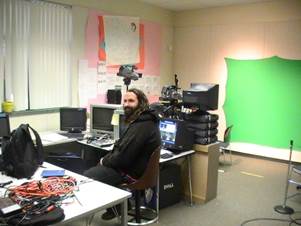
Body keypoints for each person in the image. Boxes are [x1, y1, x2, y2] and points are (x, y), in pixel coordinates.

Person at [84, 88, 161, 220]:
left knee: (87, 178)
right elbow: (122, 150)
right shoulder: (143, 121)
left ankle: (119, 207)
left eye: (131, 101)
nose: (126, 104)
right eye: (124, 101)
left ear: (141, 103)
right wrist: (106, 159)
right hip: (133, 167)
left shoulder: (142, 126)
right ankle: (119, 207)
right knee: (98, 165)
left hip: (132, 173)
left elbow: (122, 159)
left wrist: (104, 161)